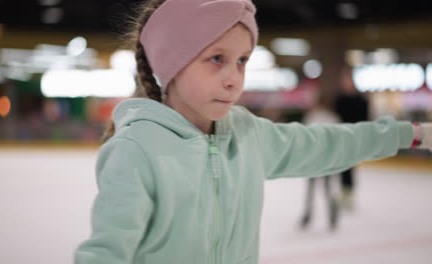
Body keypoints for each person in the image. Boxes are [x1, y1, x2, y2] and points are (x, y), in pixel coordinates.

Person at [74, 1, 432, 263]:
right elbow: (107, 252)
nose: (234, 78)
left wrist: (410, 133)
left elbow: (327, 143)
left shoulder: (246, 135)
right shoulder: (136, 151)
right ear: (172, 63)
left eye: (242, 60)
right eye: (216, 59)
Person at [299, 94, 341, 231]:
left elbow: (305, 139)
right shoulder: (331, 118)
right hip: (325, 160)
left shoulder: (314, 117)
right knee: (325, 190)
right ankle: (329, 216)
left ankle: (309, 216)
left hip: (316, 160)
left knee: (314, 191)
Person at [335, 67, 370, 210]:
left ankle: (348, 194)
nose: (345, 82)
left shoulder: (361, 100)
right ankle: (344, 193)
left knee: (350, 167)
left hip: (355, 138)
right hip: (341, 138)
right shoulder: (339, 99)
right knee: (342, 166)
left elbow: (365, 120)